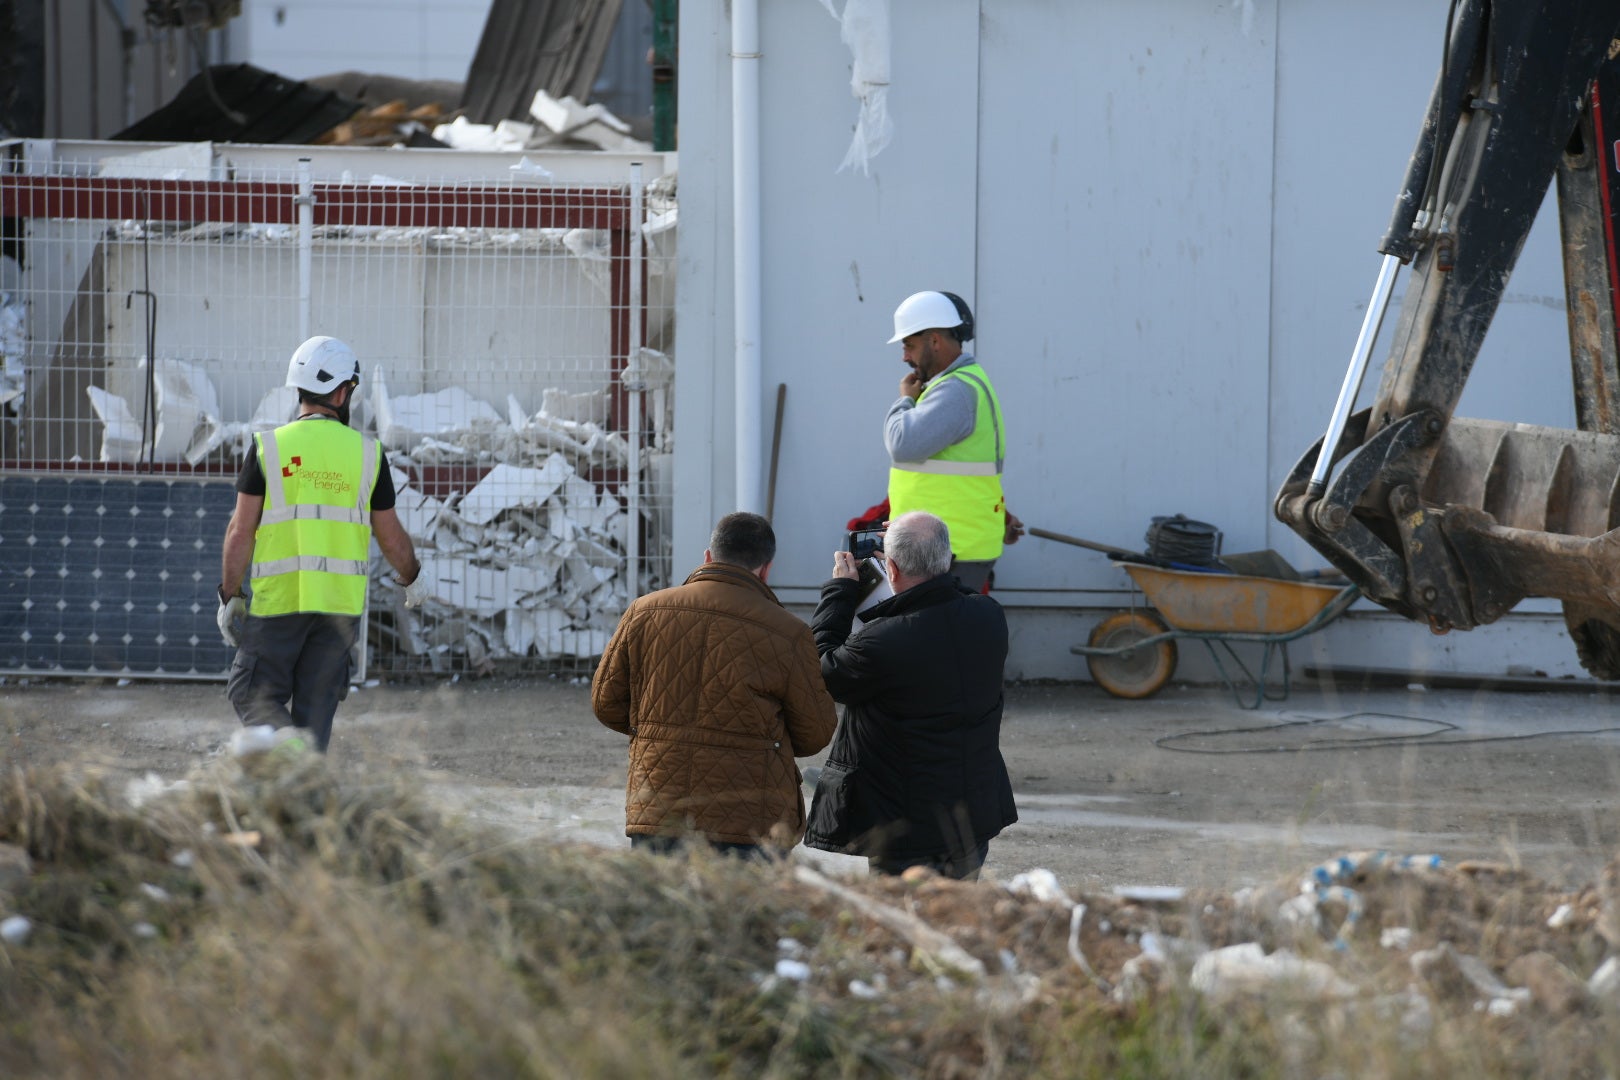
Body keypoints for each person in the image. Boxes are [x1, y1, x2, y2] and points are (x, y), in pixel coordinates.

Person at [217, 336, 427, 752]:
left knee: (251, 692)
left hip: (280, 604)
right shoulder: (368, 454)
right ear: (340, 391)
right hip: (338, 612)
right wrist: (412, 579)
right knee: (315, 716)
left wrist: (230, 595)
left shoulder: (268, 448)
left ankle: (287, 752)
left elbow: (240, 532)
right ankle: (303, 779)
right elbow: (391, 536)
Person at [591, 511, 838, 859]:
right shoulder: (790, 633)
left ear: (708, 556)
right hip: (752, 817)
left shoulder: (644, 612)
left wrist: (653, 728)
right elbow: (815, 733)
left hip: (659, 806)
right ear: (767, 568)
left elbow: (606, 703)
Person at [804, 511, 1018, 880]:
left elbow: (820, 670)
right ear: (947, 561)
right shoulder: (988, 616)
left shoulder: (881, 642)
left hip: (905, 825)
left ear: (892, 568)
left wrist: (841, 592)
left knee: (904, 927)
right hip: (971, 813)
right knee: (957, 919)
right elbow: (945, 600)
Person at [883, 290, 1024, 593]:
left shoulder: (955, 391)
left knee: (936, 638)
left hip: (948, 548)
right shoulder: (960, 385)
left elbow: (902, 443)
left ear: (934, 340)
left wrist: (904, 401)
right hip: (949, 545)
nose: (904, 356)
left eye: (909, 345)